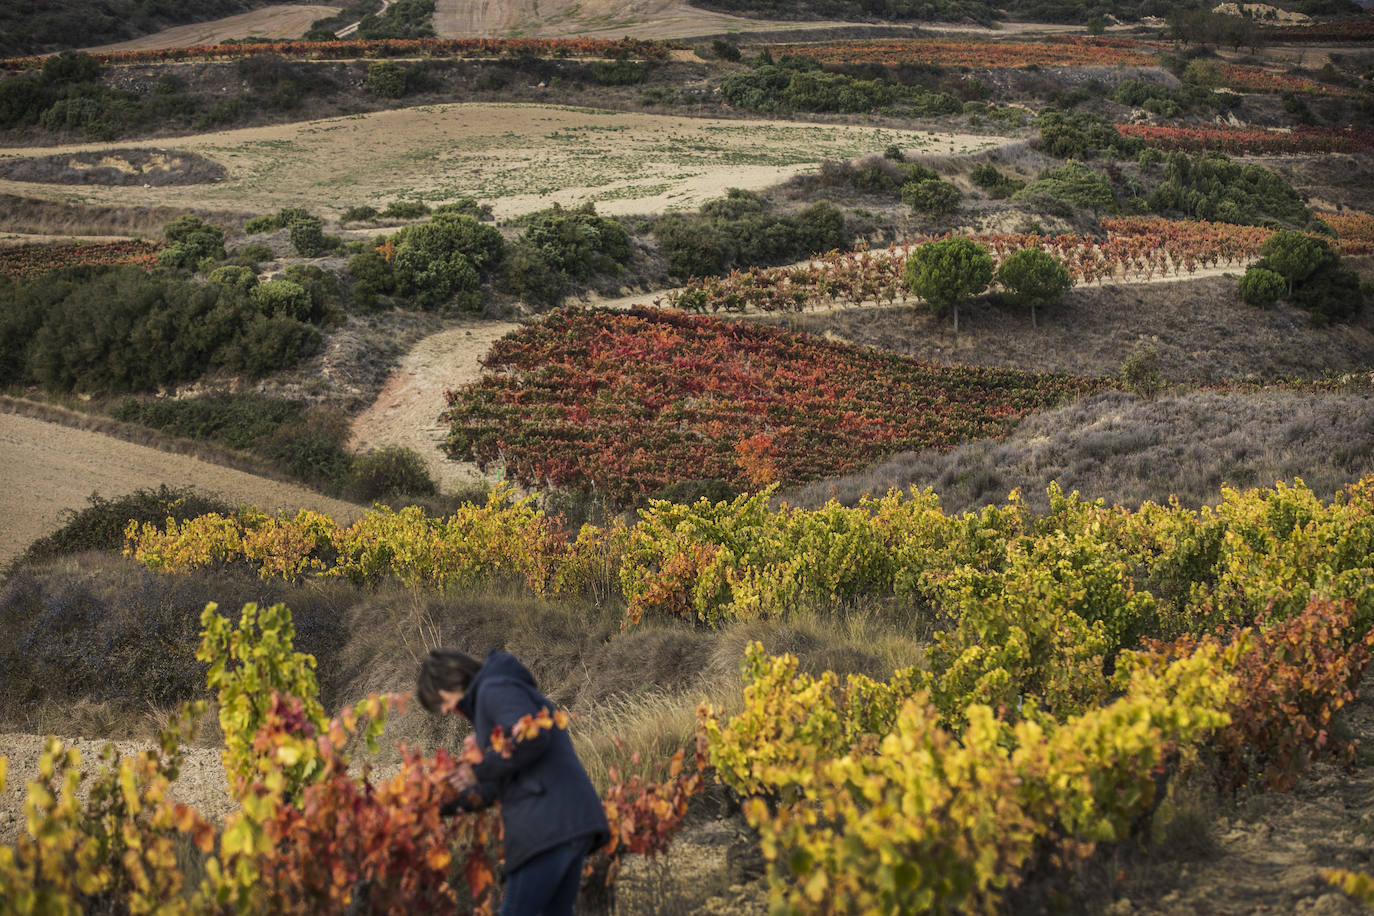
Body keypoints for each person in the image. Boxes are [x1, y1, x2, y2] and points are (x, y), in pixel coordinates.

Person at [417, 647, 609, 916]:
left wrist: (479, 770)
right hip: (568, 821)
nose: (446, 711)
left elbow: (533, 736)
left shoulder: (493, 689)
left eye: (440, 702)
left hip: (546, 823)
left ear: (449, 681)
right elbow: (496, 782)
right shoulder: (495, 693)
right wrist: (439, 804)